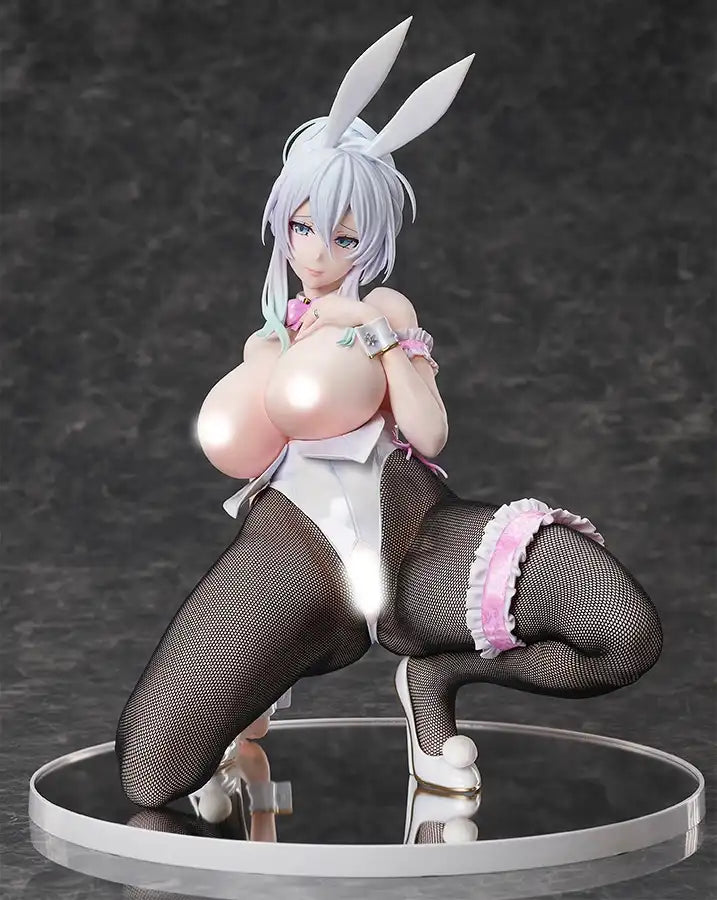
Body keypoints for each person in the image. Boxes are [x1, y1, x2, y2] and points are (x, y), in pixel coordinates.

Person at [115, 19, 662, 809]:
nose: (316, 252)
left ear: (368, 241)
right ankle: (259, 676)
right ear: (281, 223)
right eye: (303, 227)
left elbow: (430, 432)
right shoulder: (267, 340)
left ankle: (434, 680)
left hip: (413, 538)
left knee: (623, 632)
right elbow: (239, 441)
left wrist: (375, 333)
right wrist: (270, 359)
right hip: (297, 554)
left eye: (342, 237)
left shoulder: (384, 310)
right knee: (151, 774)